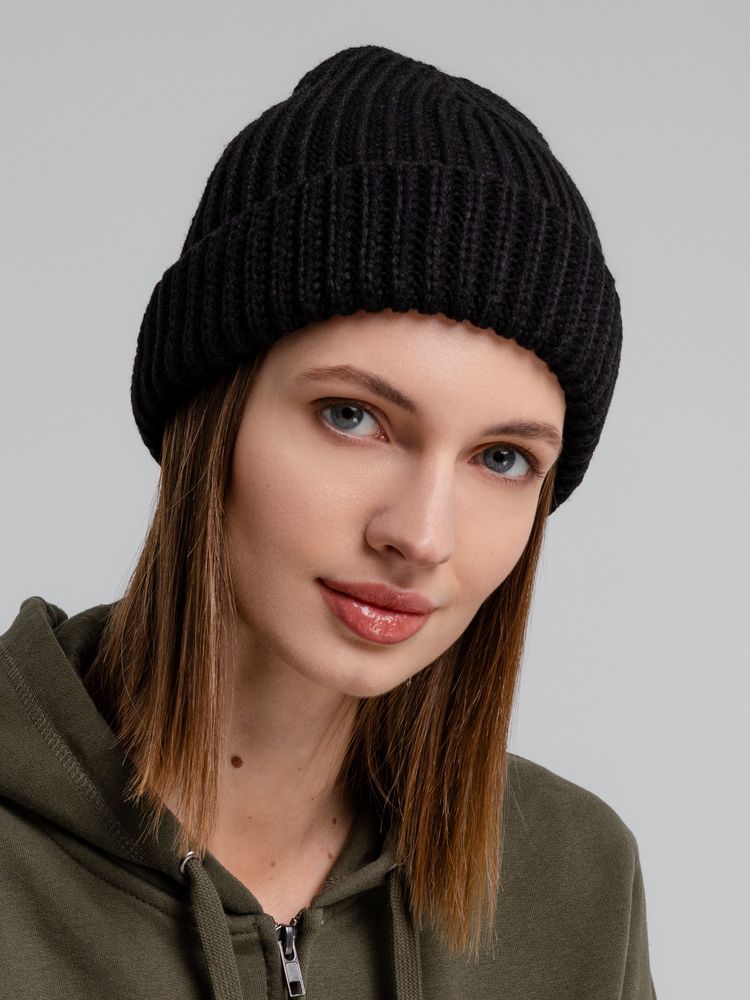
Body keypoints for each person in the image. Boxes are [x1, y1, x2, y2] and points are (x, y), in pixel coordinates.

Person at [0, 43, 657, 1000]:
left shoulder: (576, 880)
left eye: (502, 458)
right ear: (209, 413)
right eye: (352, 416)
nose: (421, 535)